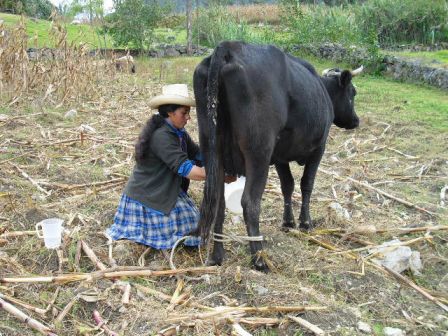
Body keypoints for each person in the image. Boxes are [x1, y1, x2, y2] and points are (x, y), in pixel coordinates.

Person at [106, 84, 205, 249]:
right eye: (184, 113)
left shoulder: (179, 133)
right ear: (170, 112)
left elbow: (197, 154)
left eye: (189, 112)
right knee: (192, 228)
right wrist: (217, 174)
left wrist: (219, 160)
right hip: (148, 195)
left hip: (164, 188)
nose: (188, 117)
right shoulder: (162, 136)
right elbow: (188, 170)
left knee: (196, 222)